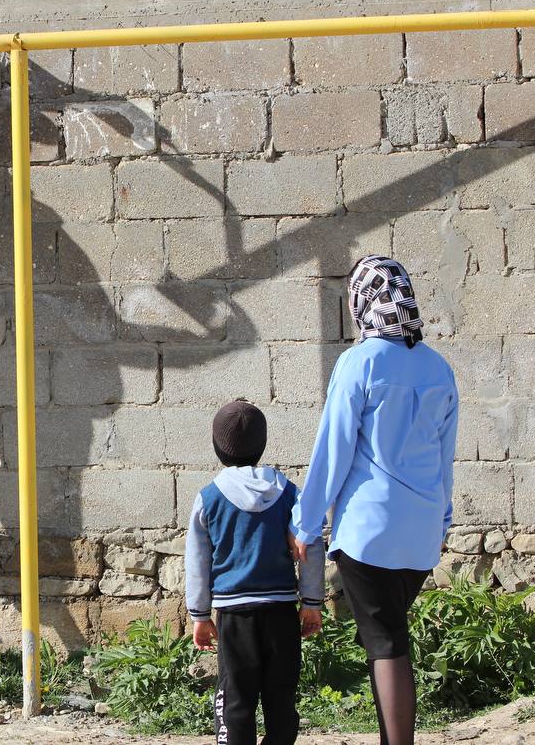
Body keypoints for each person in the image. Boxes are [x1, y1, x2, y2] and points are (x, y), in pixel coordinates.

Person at [289, 255, 458, 745]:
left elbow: (333, 449)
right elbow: (445, 457)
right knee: (388, 639)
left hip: (369, 533)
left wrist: (305, 524)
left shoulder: (359, 363)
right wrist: (442, 522)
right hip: (421, 535)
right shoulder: (439, 368)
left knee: (386, 645)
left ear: (362, 303)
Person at [185, 399, 325, 745]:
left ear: (217, 447)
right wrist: (311, 602)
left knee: (235, 697)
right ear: (262, 445)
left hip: (234, 615)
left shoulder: (209, 498)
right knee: (281, 697)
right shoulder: (290, 494)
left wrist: (199, 615)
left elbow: (198, 560)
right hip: (281, 611)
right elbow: (310, 545)